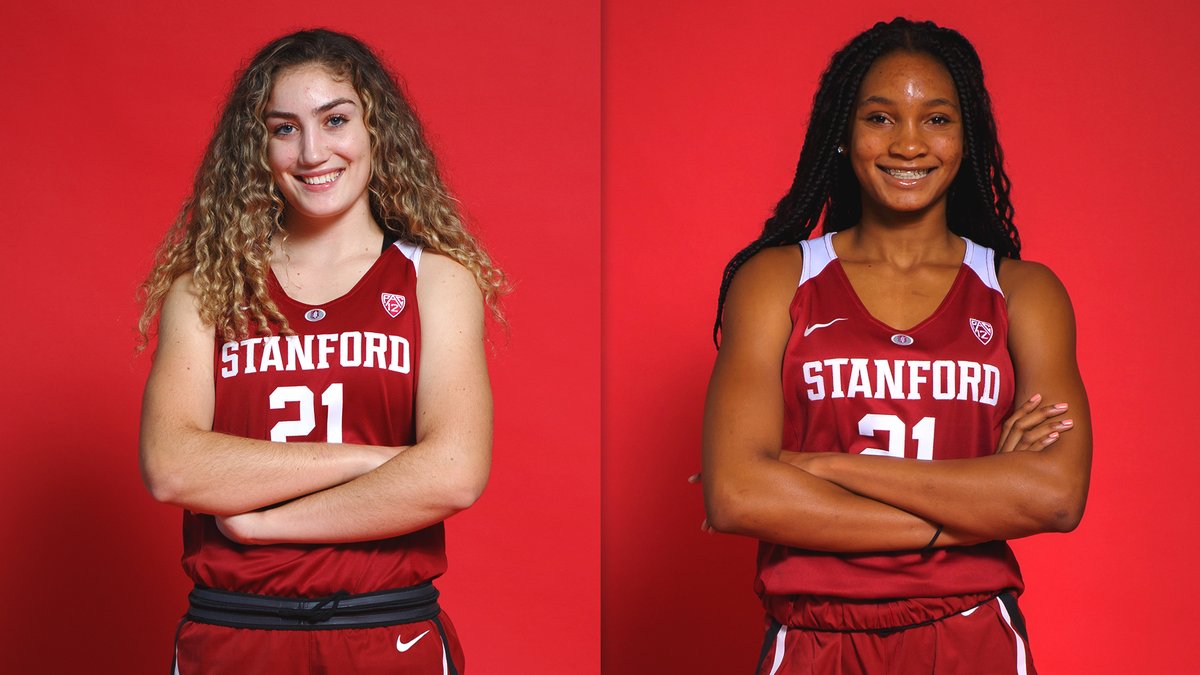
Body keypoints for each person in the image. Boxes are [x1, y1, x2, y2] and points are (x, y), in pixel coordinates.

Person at [701, 18, 1090, 675]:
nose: (909, 143)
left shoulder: (1022, 293)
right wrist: (971, 509)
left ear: (968, 138)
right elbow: (737, 493)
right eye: (881, 118)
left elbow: (1055, 495)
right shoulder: (777, 280)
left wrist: (823, 466)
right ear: (842, 136)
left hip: (972, 633)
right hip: (815, 634)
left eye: (936, 119)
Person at [137, 29, 503, 674]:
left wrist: (262, 525)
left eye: (335, 119)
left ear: (376, 130)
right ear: (256, 147)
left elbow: (453, 474)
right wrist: (377, 462)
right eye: (284, 128)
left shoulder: (435, 281)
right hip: (233, 631)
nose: (313, 152)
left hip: (385, 631)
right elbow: (172, 464)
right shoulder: (207, 288)